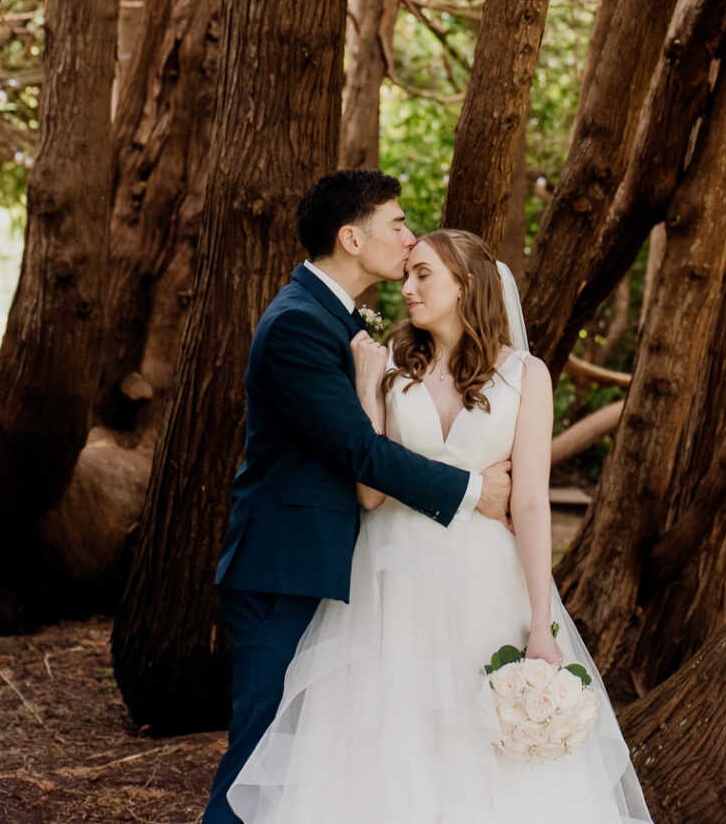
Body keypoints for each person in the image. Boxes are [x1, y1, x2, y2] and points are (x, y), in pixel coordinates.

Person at [228, 227, 652, 824]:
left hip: (484, 580)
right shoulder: (389, 362)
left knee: (481, 737)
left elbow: (530, 504)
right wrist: (366, 390)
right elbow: (371, 492)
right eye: (407, 275)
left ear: (467, 285)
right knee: (393, 736)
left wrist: (541, 621)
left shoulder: (527, 376)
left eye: (423, 274)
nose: (407, 287)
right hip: (392, 582)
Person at [205, 171, 514, 824]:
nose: (408, 238)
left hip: (319, 569)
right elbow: (360, 454)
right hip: (281, 574)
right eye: (397, 224)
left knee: (300, 767)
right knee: (259, 762)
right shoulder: (298, 326)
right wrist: (471, 490)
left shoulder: (337, 320)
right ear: (351, 237)